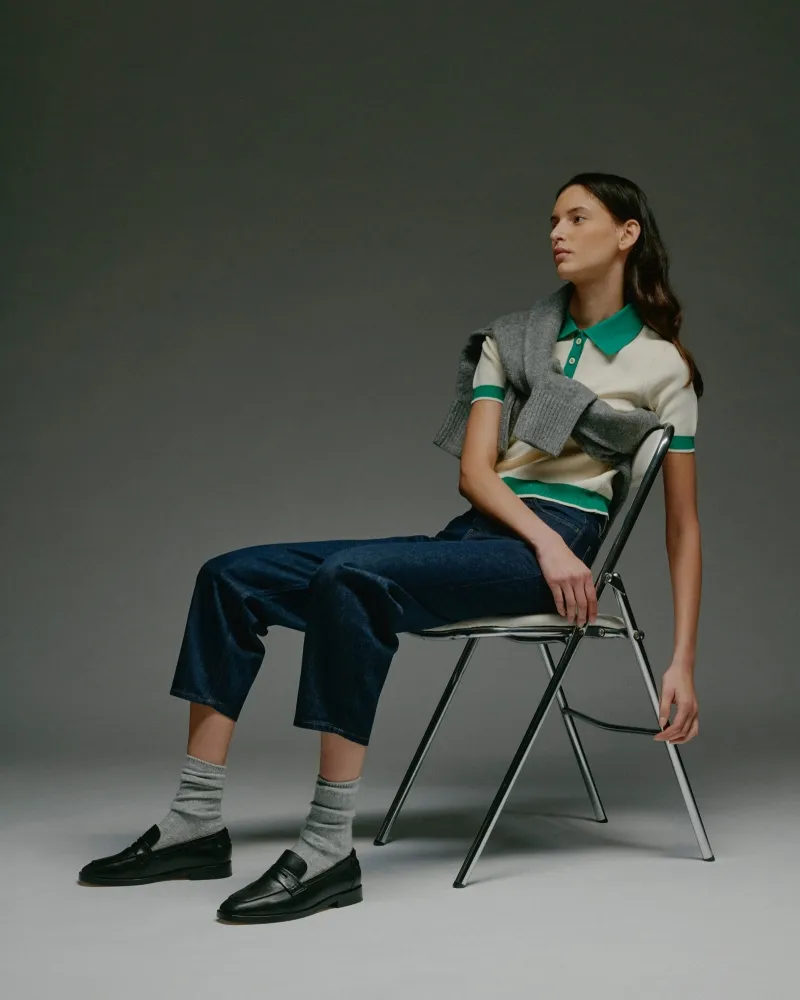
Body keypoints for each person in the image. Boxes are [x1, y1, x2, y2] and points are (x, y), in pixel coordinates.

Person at [78, 171, 704, 924]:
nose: (556, 234)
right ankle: (194, 823)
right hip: (496, 539)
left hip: (559, 552)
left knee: (352, 577)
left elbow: (682, 526)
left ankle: (326, 848)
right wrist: (543, 542)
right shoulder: (512, 340)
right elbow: (476, 475)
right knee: (229, 577)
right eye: (551, 220)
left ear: (627, 234)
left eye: (576, 218)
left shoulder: (662, 366)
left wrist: (681, 660)